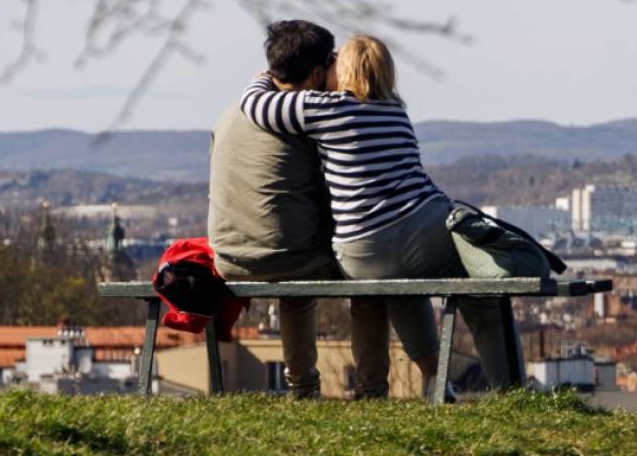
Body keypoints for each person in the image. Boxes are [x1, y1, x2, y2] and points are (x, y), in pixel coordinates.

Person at [238, 34, 511, 392]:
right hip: (423, 228)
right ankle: (509, 388)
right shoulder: (396, 111)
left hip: (361, 252)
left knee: (399, 286)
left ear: (345, 70)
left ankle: (433, 375)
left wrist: (265, 75)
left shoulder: (324, 108)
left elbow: (254, 103)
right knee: (484, 298)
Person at [208, 20, 392, 398]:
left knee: (295, 274)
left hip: (227, 258)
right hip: (286, 257)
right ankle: (372, 389)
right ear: (314, 74)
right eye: (331, 61)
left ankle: (303, 388)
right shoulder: (312, 118)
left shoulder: (230, 113)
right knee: (368, 274)